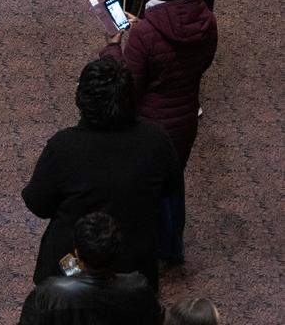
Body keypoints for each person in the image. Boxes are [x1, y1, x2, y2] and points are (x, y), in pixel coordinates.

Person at [101, 0, 218, 264]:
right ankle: (173, 246)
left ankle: (148, 248)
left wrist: (113, 48)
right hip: (184, 122)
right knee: (172, 180)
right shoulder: (207, 21)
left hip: (151, 123)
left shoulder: (144, 36)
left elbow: (126, 87)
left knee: (143, 188)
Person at [22, 57, 182, 289]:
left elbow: (38, 204)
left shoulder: (64, 146)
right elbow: (171, 188)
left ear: (83, 100)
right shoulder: (156, 140)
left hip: (72, 269)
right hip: (133, 263)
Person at [18, 212, 164, 325]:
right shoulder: (138, 287)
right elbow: (156, 319)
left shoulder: (48, 293)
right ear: (117, 253)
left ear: (77, 253)